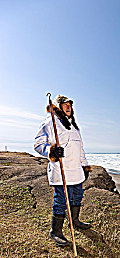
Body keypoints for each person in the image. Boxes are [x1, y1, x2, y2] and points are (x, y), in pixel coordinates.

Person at [34, 94, 92, 247]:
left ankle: (75, 221)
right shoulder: (50, 123)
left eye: (70, 105)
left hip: (76, 171)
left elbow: (80, 149)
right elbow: (38, 144)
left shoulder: (74, 126)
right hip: (61, 171)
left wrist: (84, 166)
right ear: (58, 107)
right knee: (61, 201)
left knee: (77, 196)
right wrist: (51, 151)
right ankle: (56, 231)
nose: (68, 107)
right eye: (65, 105)